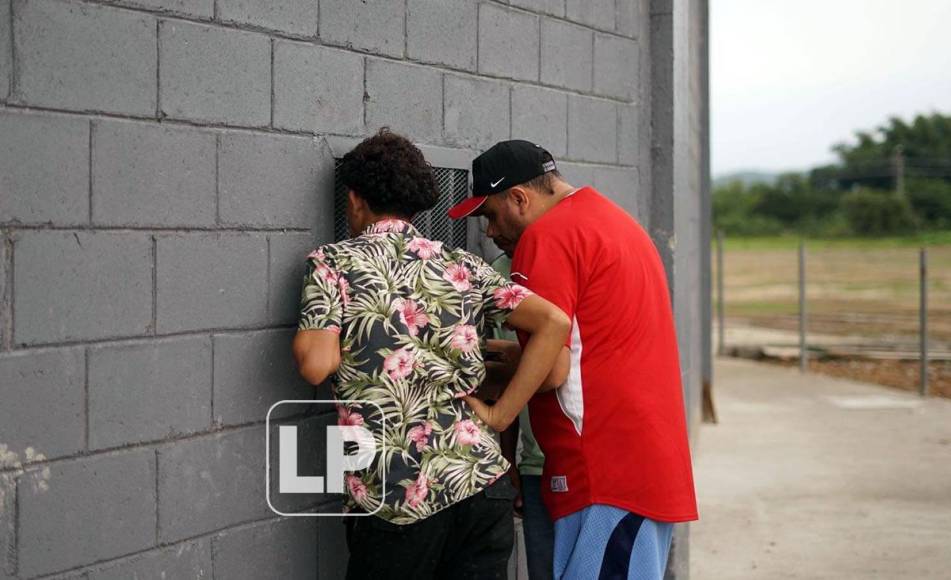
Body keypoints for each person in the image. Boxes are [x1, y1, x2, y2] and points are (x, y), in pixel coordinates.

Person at [292, 129, 571, 580]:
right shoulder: (462, 264)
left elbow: (315, 365)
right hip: (480, 482)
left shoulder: (332, 263)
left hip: (397, 495)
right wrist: (500, 416)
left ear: (356, 199)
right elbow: (554, 323)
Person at [450, 140, 699, 580]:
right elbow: (595, 345)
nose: (488, 231)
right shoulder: (614, 221)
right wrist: (502, 355)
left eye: (489, 214)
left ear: (520, 199)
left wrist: (498, 414)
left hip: (604, 471)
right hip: (641, 463)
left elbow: (553, 370)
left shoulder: (544, 238)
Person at [491, 253, 555, 580]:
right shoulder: (499, 272)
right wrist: (508, 463)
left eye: (493, 217)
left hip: (586, 461)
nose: (489, 232)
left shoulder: (568, 262)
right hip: (534, 466)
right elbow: (505, 378)